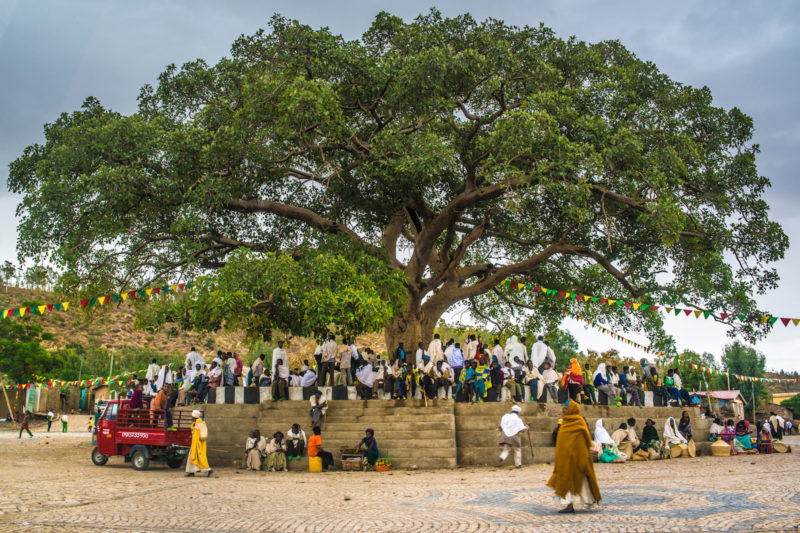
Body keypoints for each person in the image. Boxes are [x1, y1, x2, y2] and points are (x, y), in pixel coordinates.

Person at [547, 400, 601, 513]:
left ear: (572, 409)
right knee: (567, 482)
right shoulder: (564, 422)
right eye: (564, 409)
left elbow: (584, 440)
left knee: (580, 483)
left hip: (578, 458)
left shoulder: (579, 422)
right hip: (566, 460)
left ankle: (583, 502)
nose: (564, 410)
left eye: (566, 409)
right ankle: (569, 505)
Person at [186, 410, 212, 477]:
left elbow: (196, 437)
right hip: (199, 444)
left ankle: (208, 470)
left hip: (197, 445)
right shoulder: (201, 423)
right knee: (195, 458)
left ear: (194, 417)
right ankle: (191, 471)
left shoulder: (197, 425)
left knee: (199, 458)